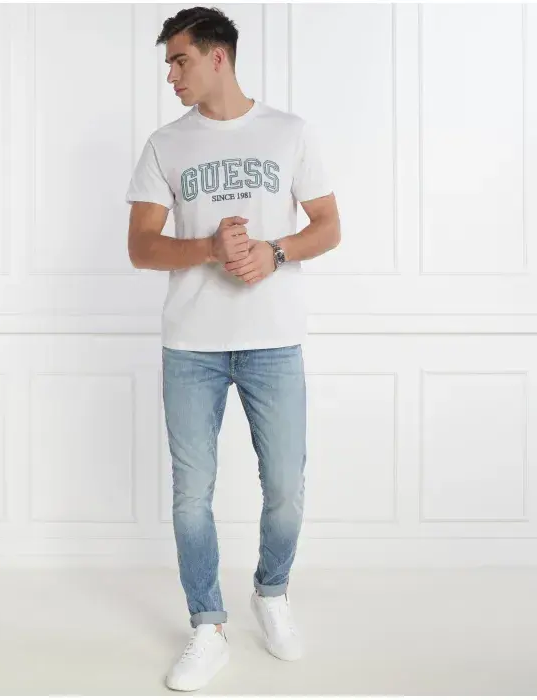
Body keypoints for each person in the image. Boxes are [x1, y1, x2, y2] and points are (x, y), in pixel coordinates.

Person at [125, 5, 340, 692]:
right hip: (191, 346)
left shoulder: (290, 132)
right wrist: (210, 249)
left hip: (274, 342)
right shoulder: (165, 145)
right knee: (192, 495)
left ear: (218, 56)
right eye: (169, 63)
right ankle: (207, 626)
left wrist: (274, 252)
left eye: (180, 60)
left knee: (285, 490)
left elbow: (328, 226)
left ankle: (271, 593)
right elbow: (141, 247)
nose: (171, 75)